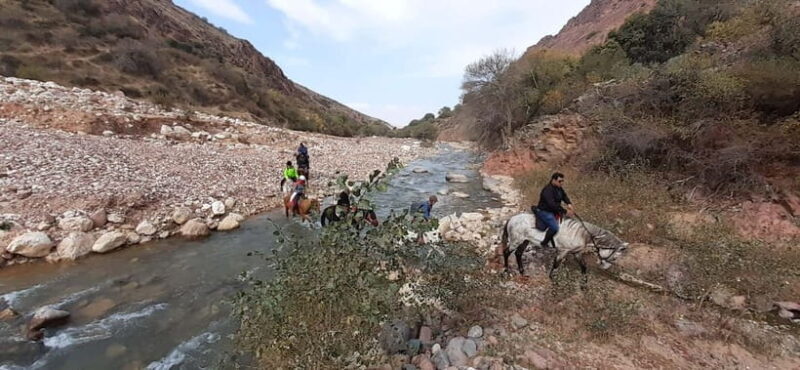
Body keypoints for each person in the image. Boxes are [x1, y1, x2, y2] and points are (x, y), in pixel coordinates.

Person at [533, 172, 574, 249]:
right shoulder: (547, 190)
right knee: (554, 227)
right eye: (559, 181)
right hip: (545, 211)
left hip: (554, 211)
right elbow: (552, 204)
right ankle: (544, 243)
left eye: (562, 181)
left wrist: (569, 203)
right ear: (553, 180)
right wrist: (565, 211)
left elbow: (564, 196)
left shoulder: (559, 188)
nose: (561, 183)